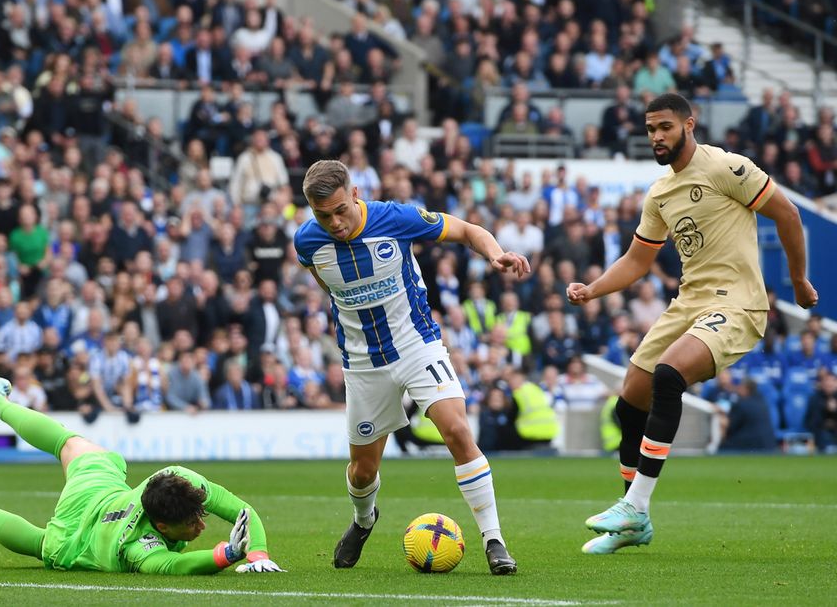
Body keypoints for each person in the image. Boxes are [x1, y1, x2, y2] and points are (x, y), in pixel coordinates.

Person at [567, 93, 816, 555]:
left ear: (689, 124)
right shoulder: (660, 192)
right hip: (689, 304)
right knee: (629, 405)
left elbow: (789, 214)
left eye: (664, 126)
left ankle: (636, 506)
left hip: (738, 302)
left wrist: (798, 281)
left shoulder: (726, 167)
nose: (657, 136)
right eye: (650, 129)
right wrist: (592, 289)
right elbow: (637, 260)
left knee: (668, 375)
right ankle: (630, 522)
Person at [293, 160, 527, 575]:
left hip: (417, 346)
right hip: (363, 364)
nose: (334, 223)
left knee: (456, 430)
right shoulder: (307, 243)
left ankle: (494, 540)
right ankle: (364, 521)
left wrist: (496, 254)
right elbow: (329, 289)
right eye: (322, 215)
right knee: (363, 471)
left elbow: (469, 231)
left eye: (340, 210)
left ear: (356, 195)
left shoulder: (396, 218)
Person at [0, 377, 284, 574]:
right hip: (77, 537)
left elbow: (240, 510)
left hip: (98, 494)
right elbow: (174, 567)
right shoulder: (137, 547)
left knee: (69, 443)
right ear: (161, 527)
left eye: (200, 516)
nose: (202, 526)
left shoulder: (177, 480)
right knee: (41, 544)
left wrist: (258, 553)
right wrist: (227, 554)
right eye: (192, 524)